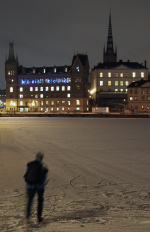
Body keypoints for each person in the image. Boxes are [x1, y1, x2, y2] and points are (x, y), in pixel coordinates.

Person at [24, 151, 48, 224]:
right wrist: (42, 184)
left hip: (30, 185)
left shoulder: (30, 164)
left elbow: (26, 174)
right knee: (40, 201)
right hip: (39, 186)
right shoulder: (43, 165)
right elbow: (44, 176)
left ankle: (27, 218)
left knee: (30, 201)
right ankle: (38, 218)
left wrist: (28, 185)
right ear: (42, 158)